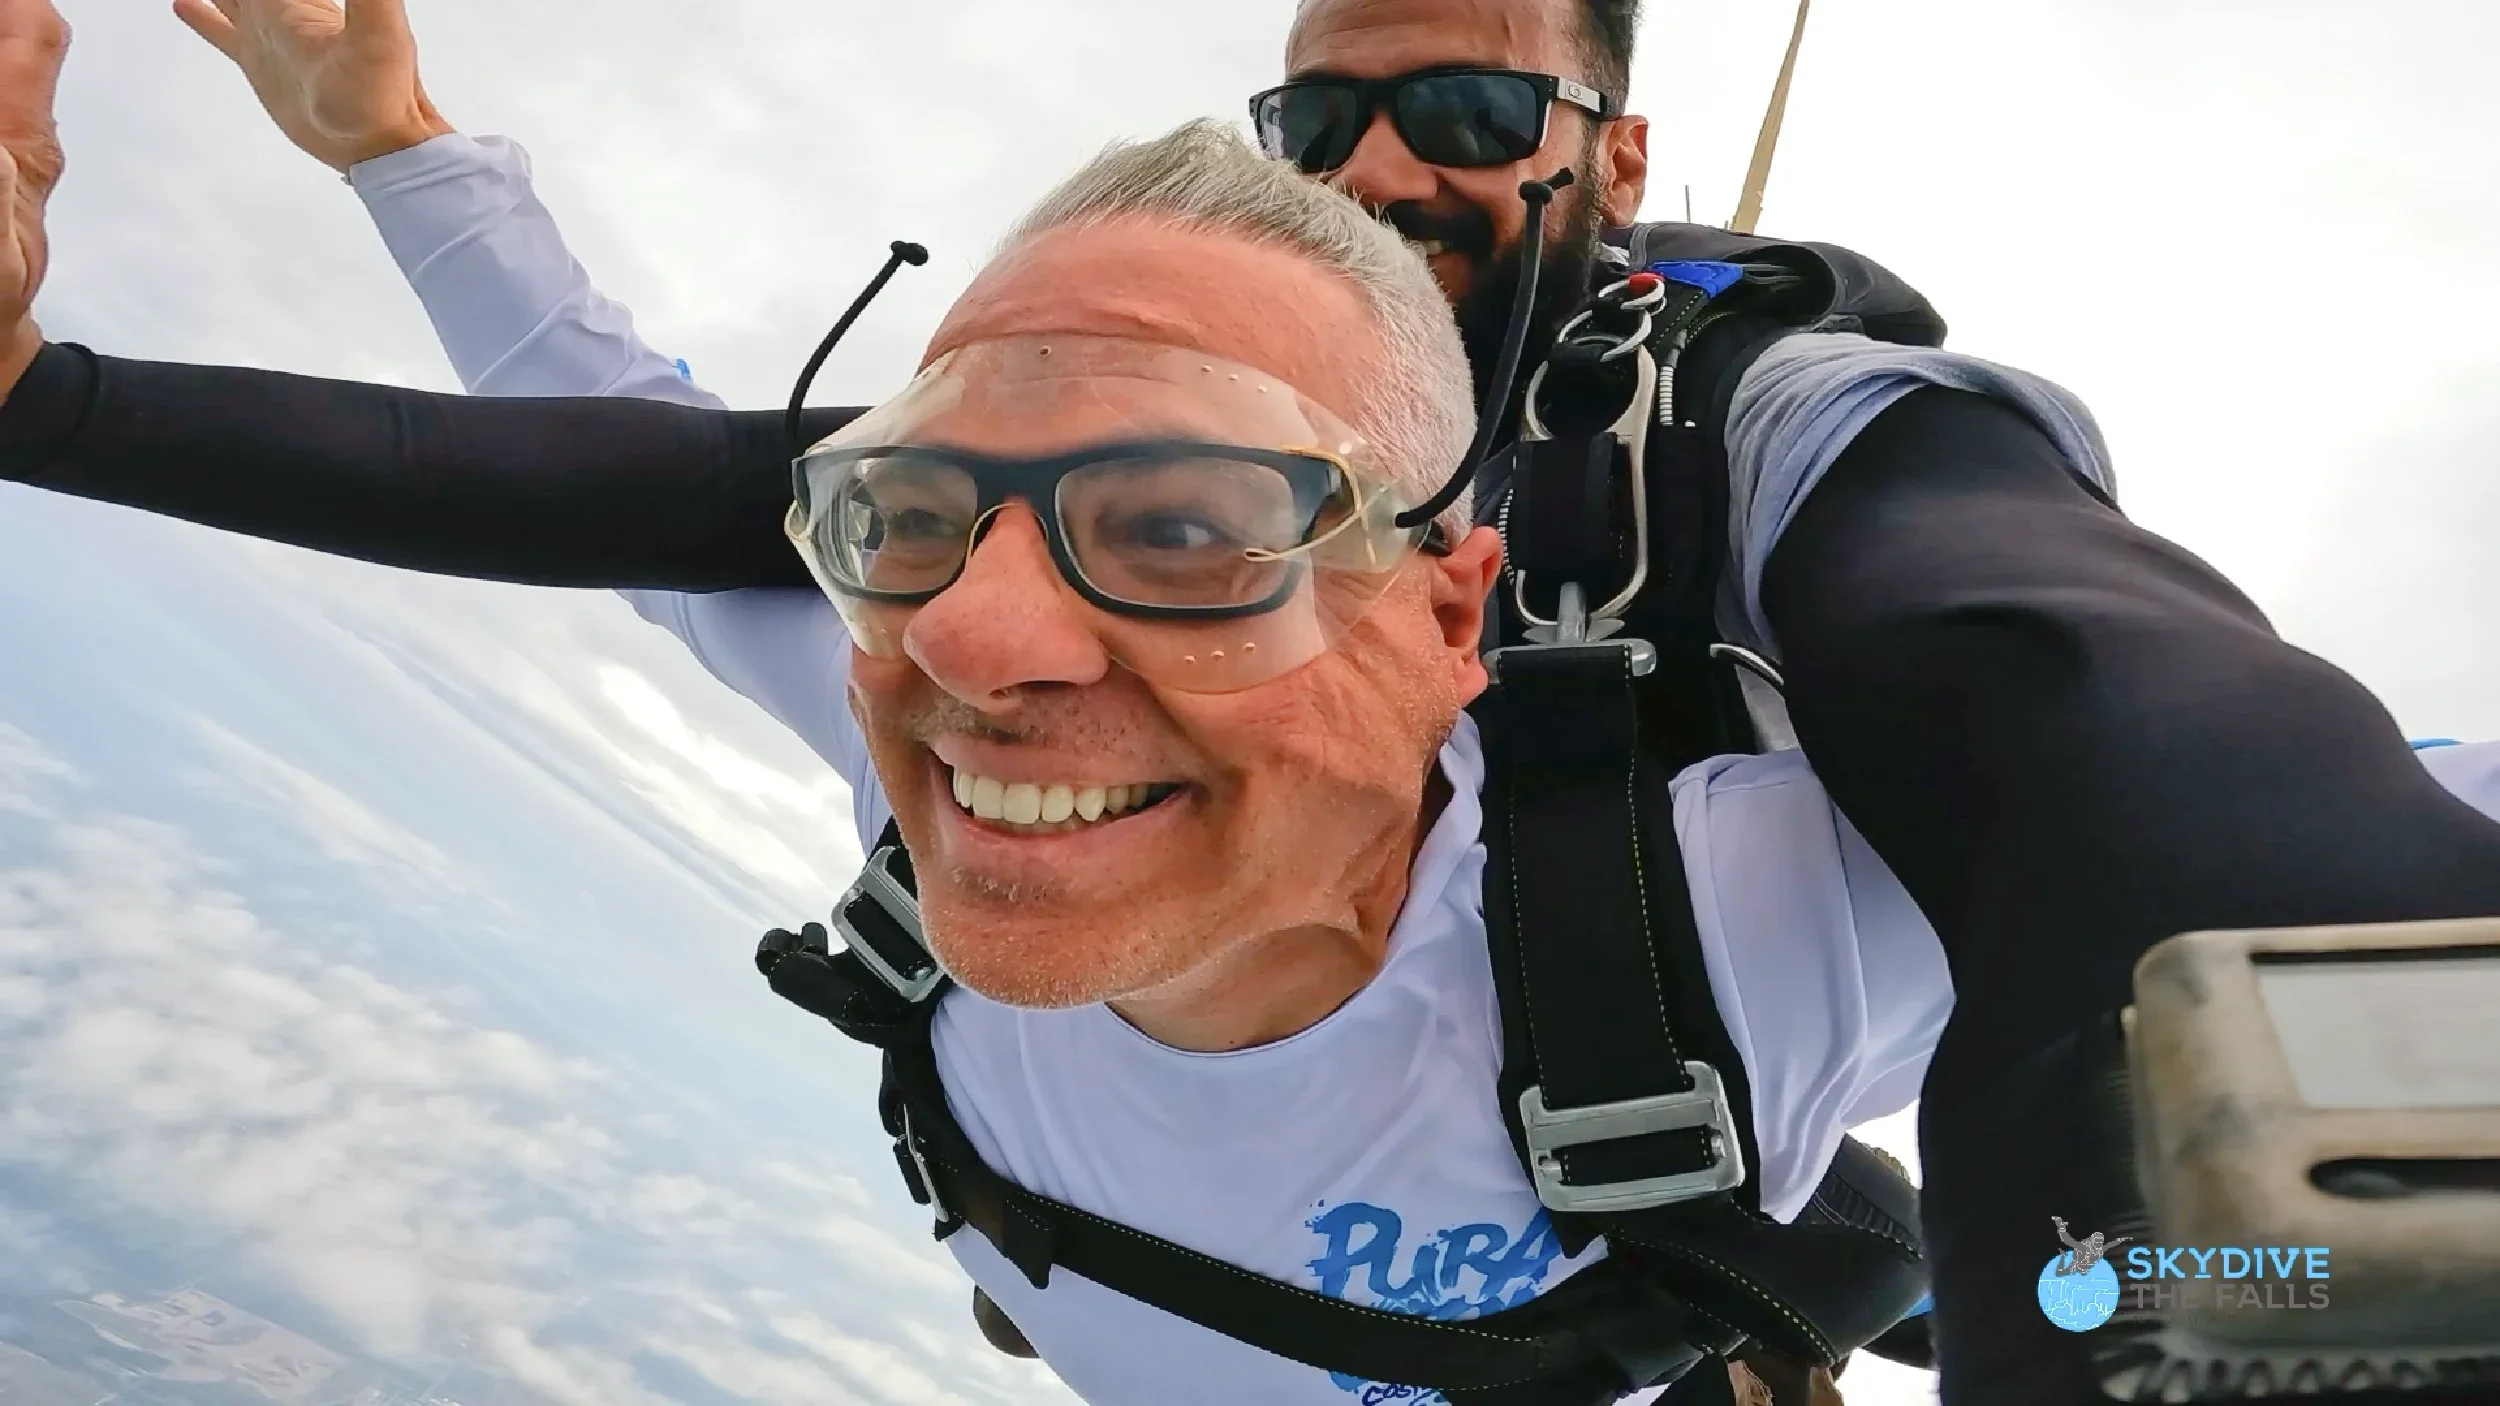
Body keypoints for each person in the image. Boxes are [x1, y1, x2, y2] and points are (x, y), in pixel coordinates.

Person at [5, 3, 2500, 1404]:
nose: (988, 647)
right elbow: (602, 430)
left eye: (1183, 534)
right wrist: (335, 189)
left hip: (1659, 1257)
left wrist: (2298, 1294)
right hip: (1384, 1268)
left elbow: (2294, 851)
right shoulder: (946, 677)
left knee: (1989, 1253)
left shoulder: (1760, 843)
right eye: (913, 525)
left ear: (1446, 618)